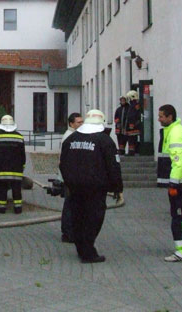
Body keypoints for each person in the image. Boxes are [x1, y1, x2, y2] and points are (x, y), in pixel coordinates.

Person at [60, 109, 123, 263]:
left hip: (74, 187)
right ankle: (88, 252)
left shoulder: (71, 139)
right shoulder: (105, 141)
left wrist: (68, 182)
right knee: (93, 219)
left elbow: (63, 163)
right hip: (96, 188)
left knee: (77, 217)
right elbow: (113, 166)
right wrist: (117, 188)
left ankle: (81, 248)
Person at [157, 104, 182, 262]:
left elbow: (178, 161)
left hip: (179, 184)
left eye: (161, 116)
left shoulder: (175, 133)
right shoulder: (175, 130)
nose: (159, 119)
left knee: (178, 217)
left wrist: (173, 184)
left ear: (170, 117)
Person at [0, 115, 26, 214]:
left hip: (0, 170)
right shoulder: (19, 137)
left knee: (1, 189)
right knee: (16, 190)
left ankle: (1, 209)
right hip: (16, 170)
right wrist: (22, 166)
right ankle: (18, 209)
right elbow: (22, 154)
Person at [60, 112, 83, 243]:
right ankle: (68, 233)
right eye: (78, 122)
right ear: (71, 124)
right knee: (69, 205)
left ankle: (70, 231)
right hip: (69, 177)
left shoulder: (73, 136)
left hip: (71, 176)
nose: (81, 124)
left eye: (82, 122)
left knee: (71, 204)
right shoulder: (69, 137)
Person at [125, 90, 142, 156]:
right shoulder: (136, 105)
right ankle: (134, 151)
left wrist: (131, 125)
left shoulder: (133, 106)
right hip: (135, 125)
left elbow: (132, 116)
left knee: (131, 139)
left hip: (132, 126)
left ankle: (131, 152)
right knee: (133, 139)